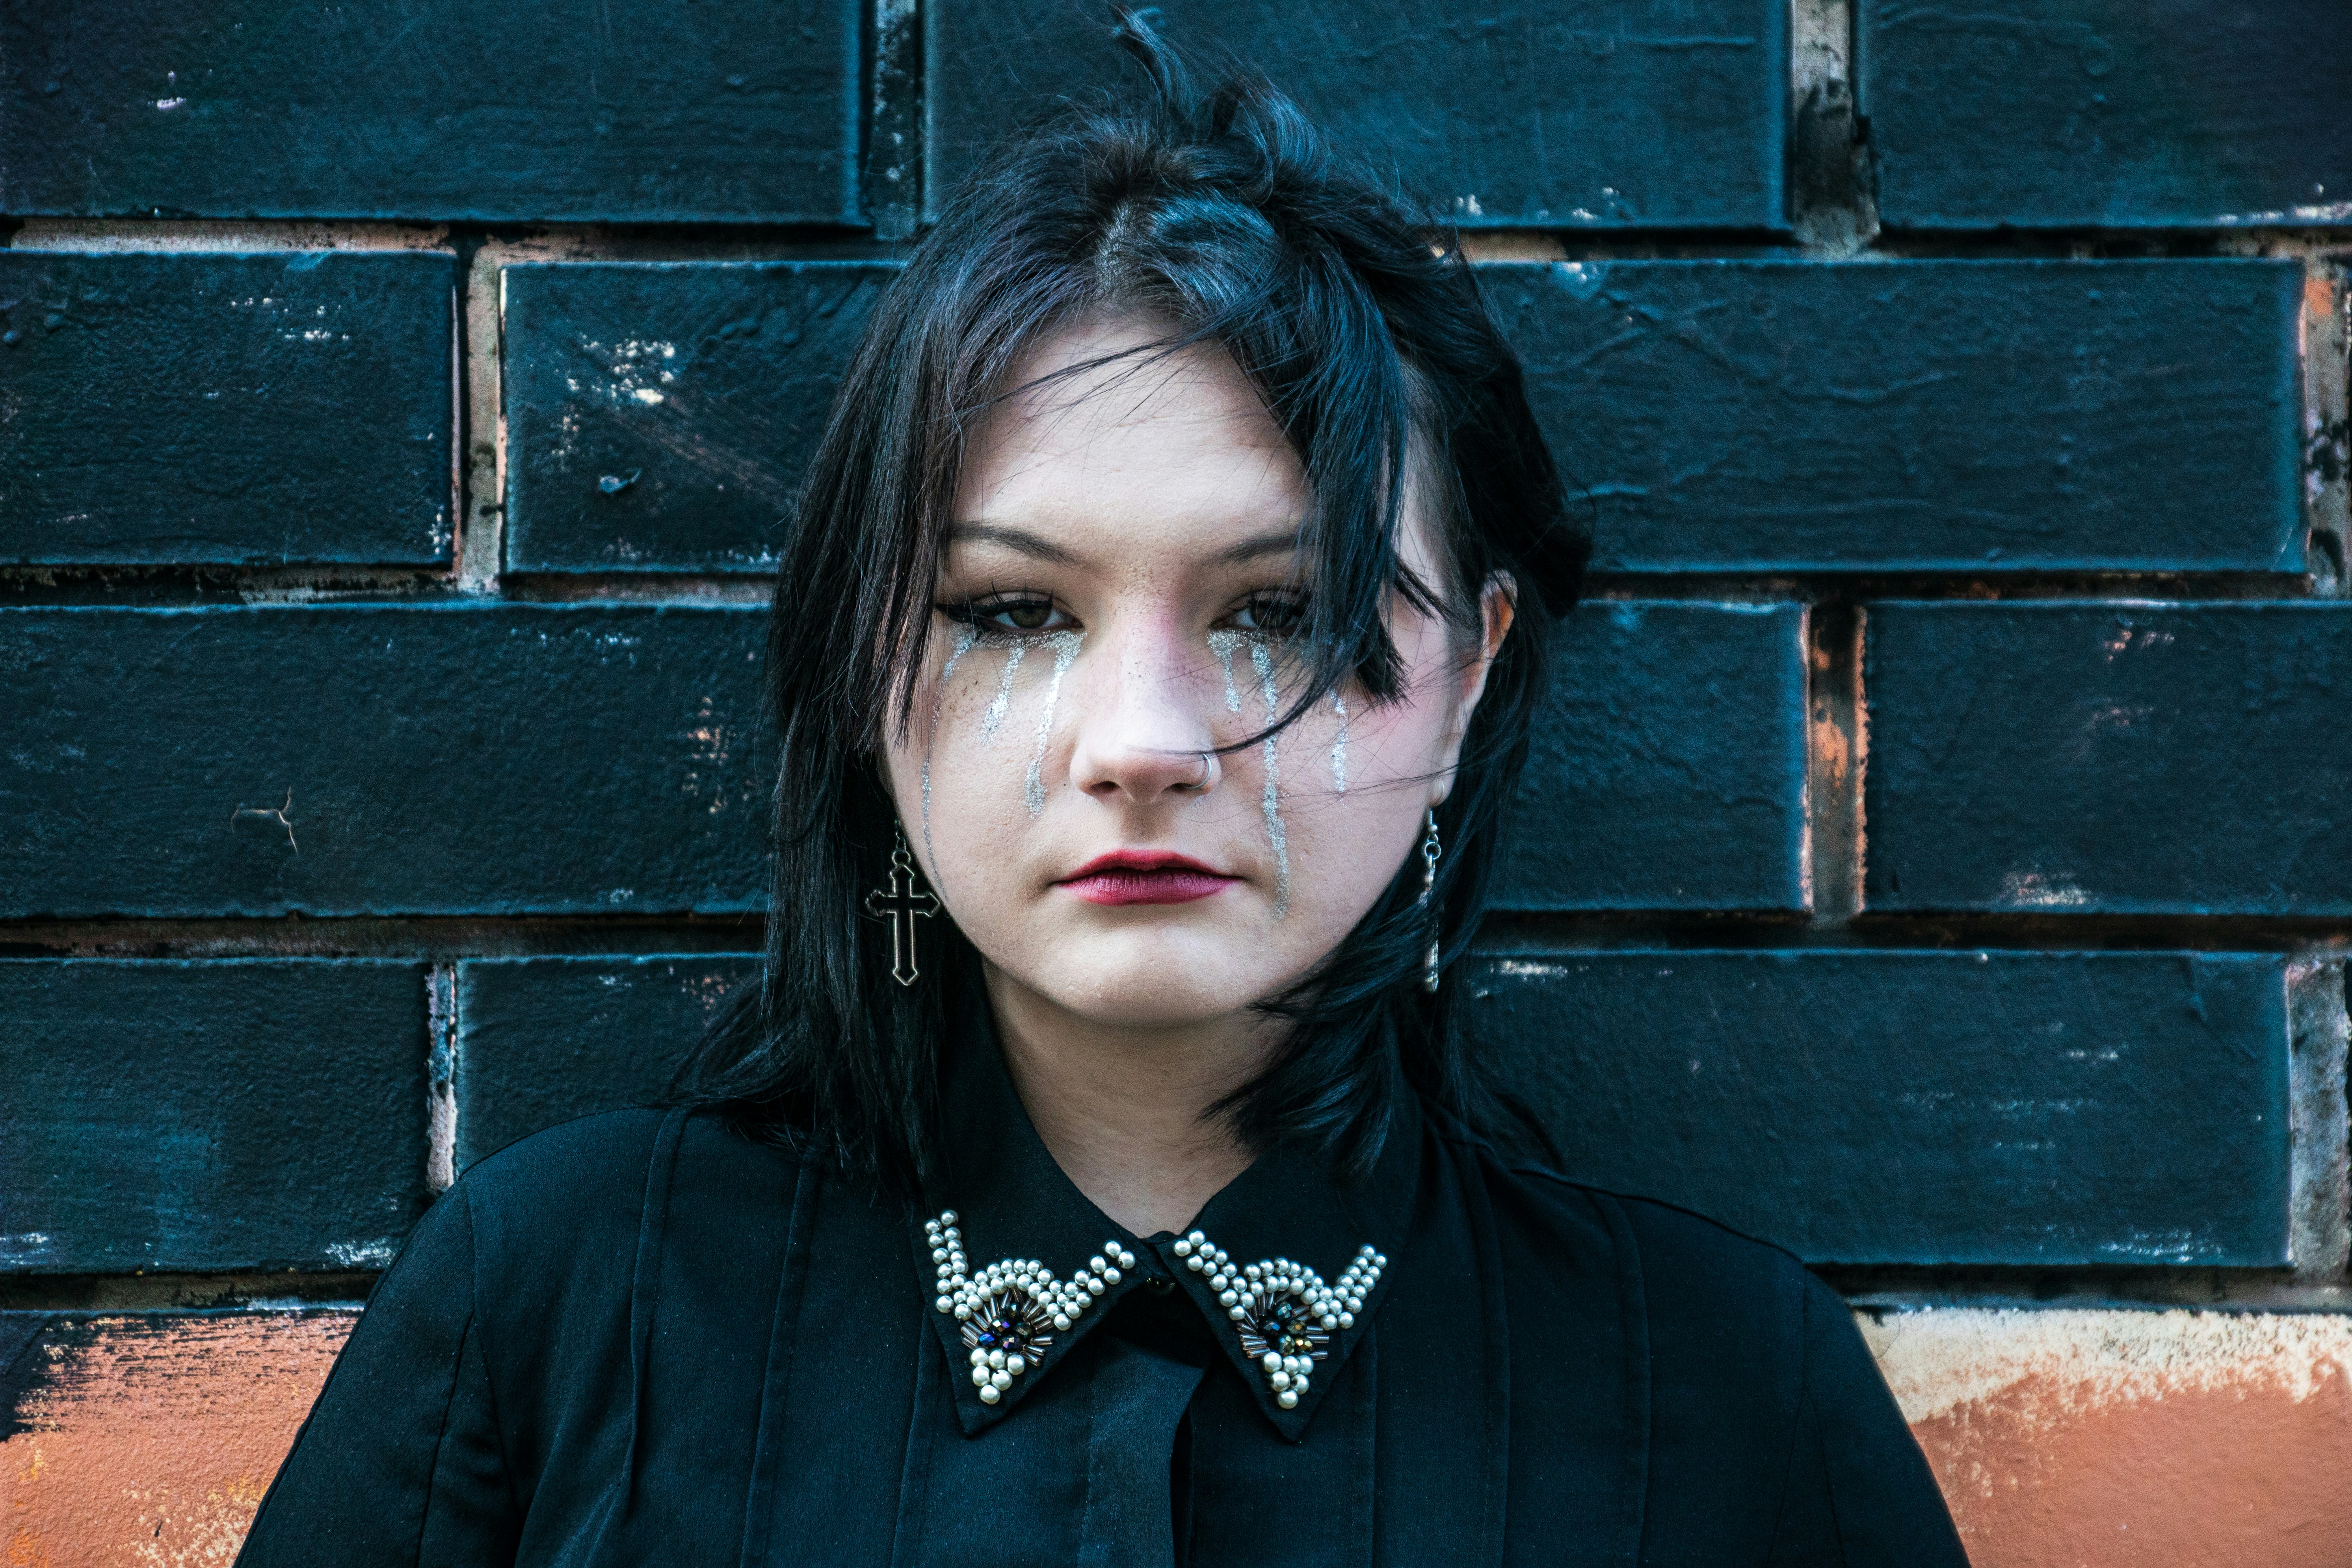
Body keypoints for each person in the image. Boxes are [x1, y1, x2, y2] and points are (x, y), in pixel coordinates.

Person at [236, 25, 1967, 1567]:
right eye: (1010, 611)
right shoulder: (551, 1315)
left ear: (1469, 675)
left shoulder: (1733, 1404)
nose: (1139, 739)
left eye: (1278, 611)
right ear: (861, 667)